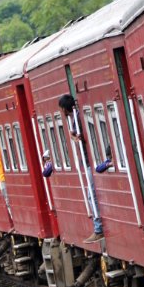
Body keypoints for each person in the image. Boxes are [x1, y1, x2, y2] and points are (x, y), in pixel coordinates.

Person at [58, 94, 104, 244]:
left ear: (66, 108)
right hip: (87, 162)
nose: (61, 112)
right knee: (90, 194)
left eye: (61, 109)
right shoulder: (74, 119)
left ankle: (98, 229)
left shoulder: (78, 118)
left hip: (90, 162)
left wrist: (77, 138)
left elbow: (84, 138)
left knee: (91, 195)